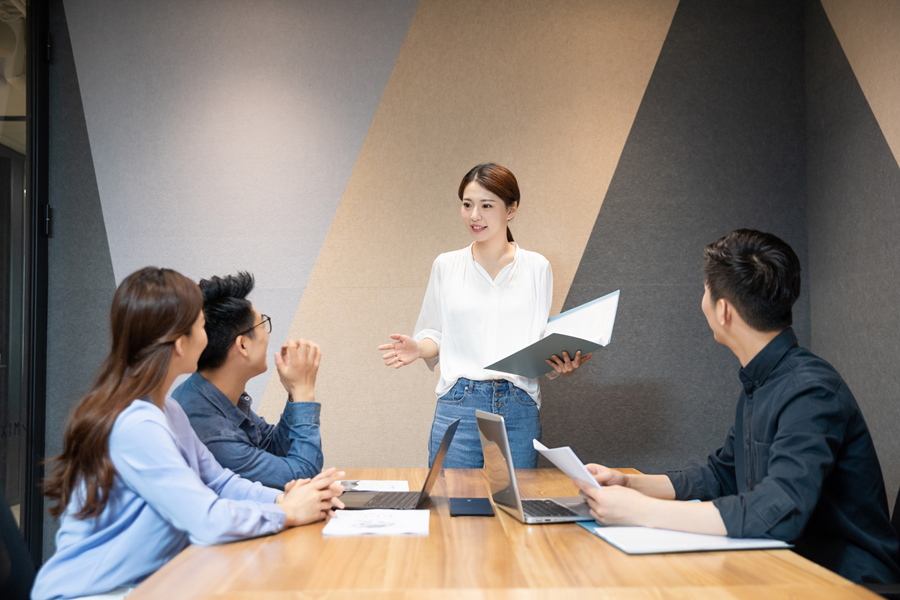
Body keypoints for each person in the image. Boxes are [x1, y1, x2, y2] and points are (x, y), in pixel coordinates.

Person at [573, 229, 900, 584]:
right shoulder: (762, 380)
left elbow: (779, 511)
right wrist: (631, 484)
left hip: (845, 583)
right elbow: (724, 474)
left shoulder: (811, 390)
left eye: (705, 291)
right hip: (783, 568)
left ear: (724, 310)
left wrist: (643, 512)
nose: (703, 300)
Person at [33, 267, 344, 600]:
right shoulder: (136, 425)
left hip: (149, 583)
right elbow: (206, 518)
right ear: (181, 344)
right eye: (200, 326)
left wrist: (281, 498)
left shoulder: (169, 411)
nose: (207, 336)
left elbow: (219, 482)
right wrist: (288, 511)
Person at [378, 163, 590, 469]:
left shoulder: (537, 267)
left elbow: (538, 337)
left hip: (519, 404)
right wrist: (418, 347)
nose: (474, 215)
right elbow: (434, 332)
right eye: (467, 205)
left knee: (513, 510)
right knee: (452, 506)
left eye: (486, 205)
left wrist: (561, 365)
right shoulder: (446, 265)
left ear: (511, 209)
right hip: (459, 402)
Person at [172, 272, 323, 489]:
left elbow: (271, 446)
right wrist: (304, 393)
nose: (267, 335)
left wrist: (293, 392)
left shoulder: (209, 392)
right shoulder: (211, 431)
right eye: (263, 325)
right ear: (243, 345)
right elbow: (301, 477)